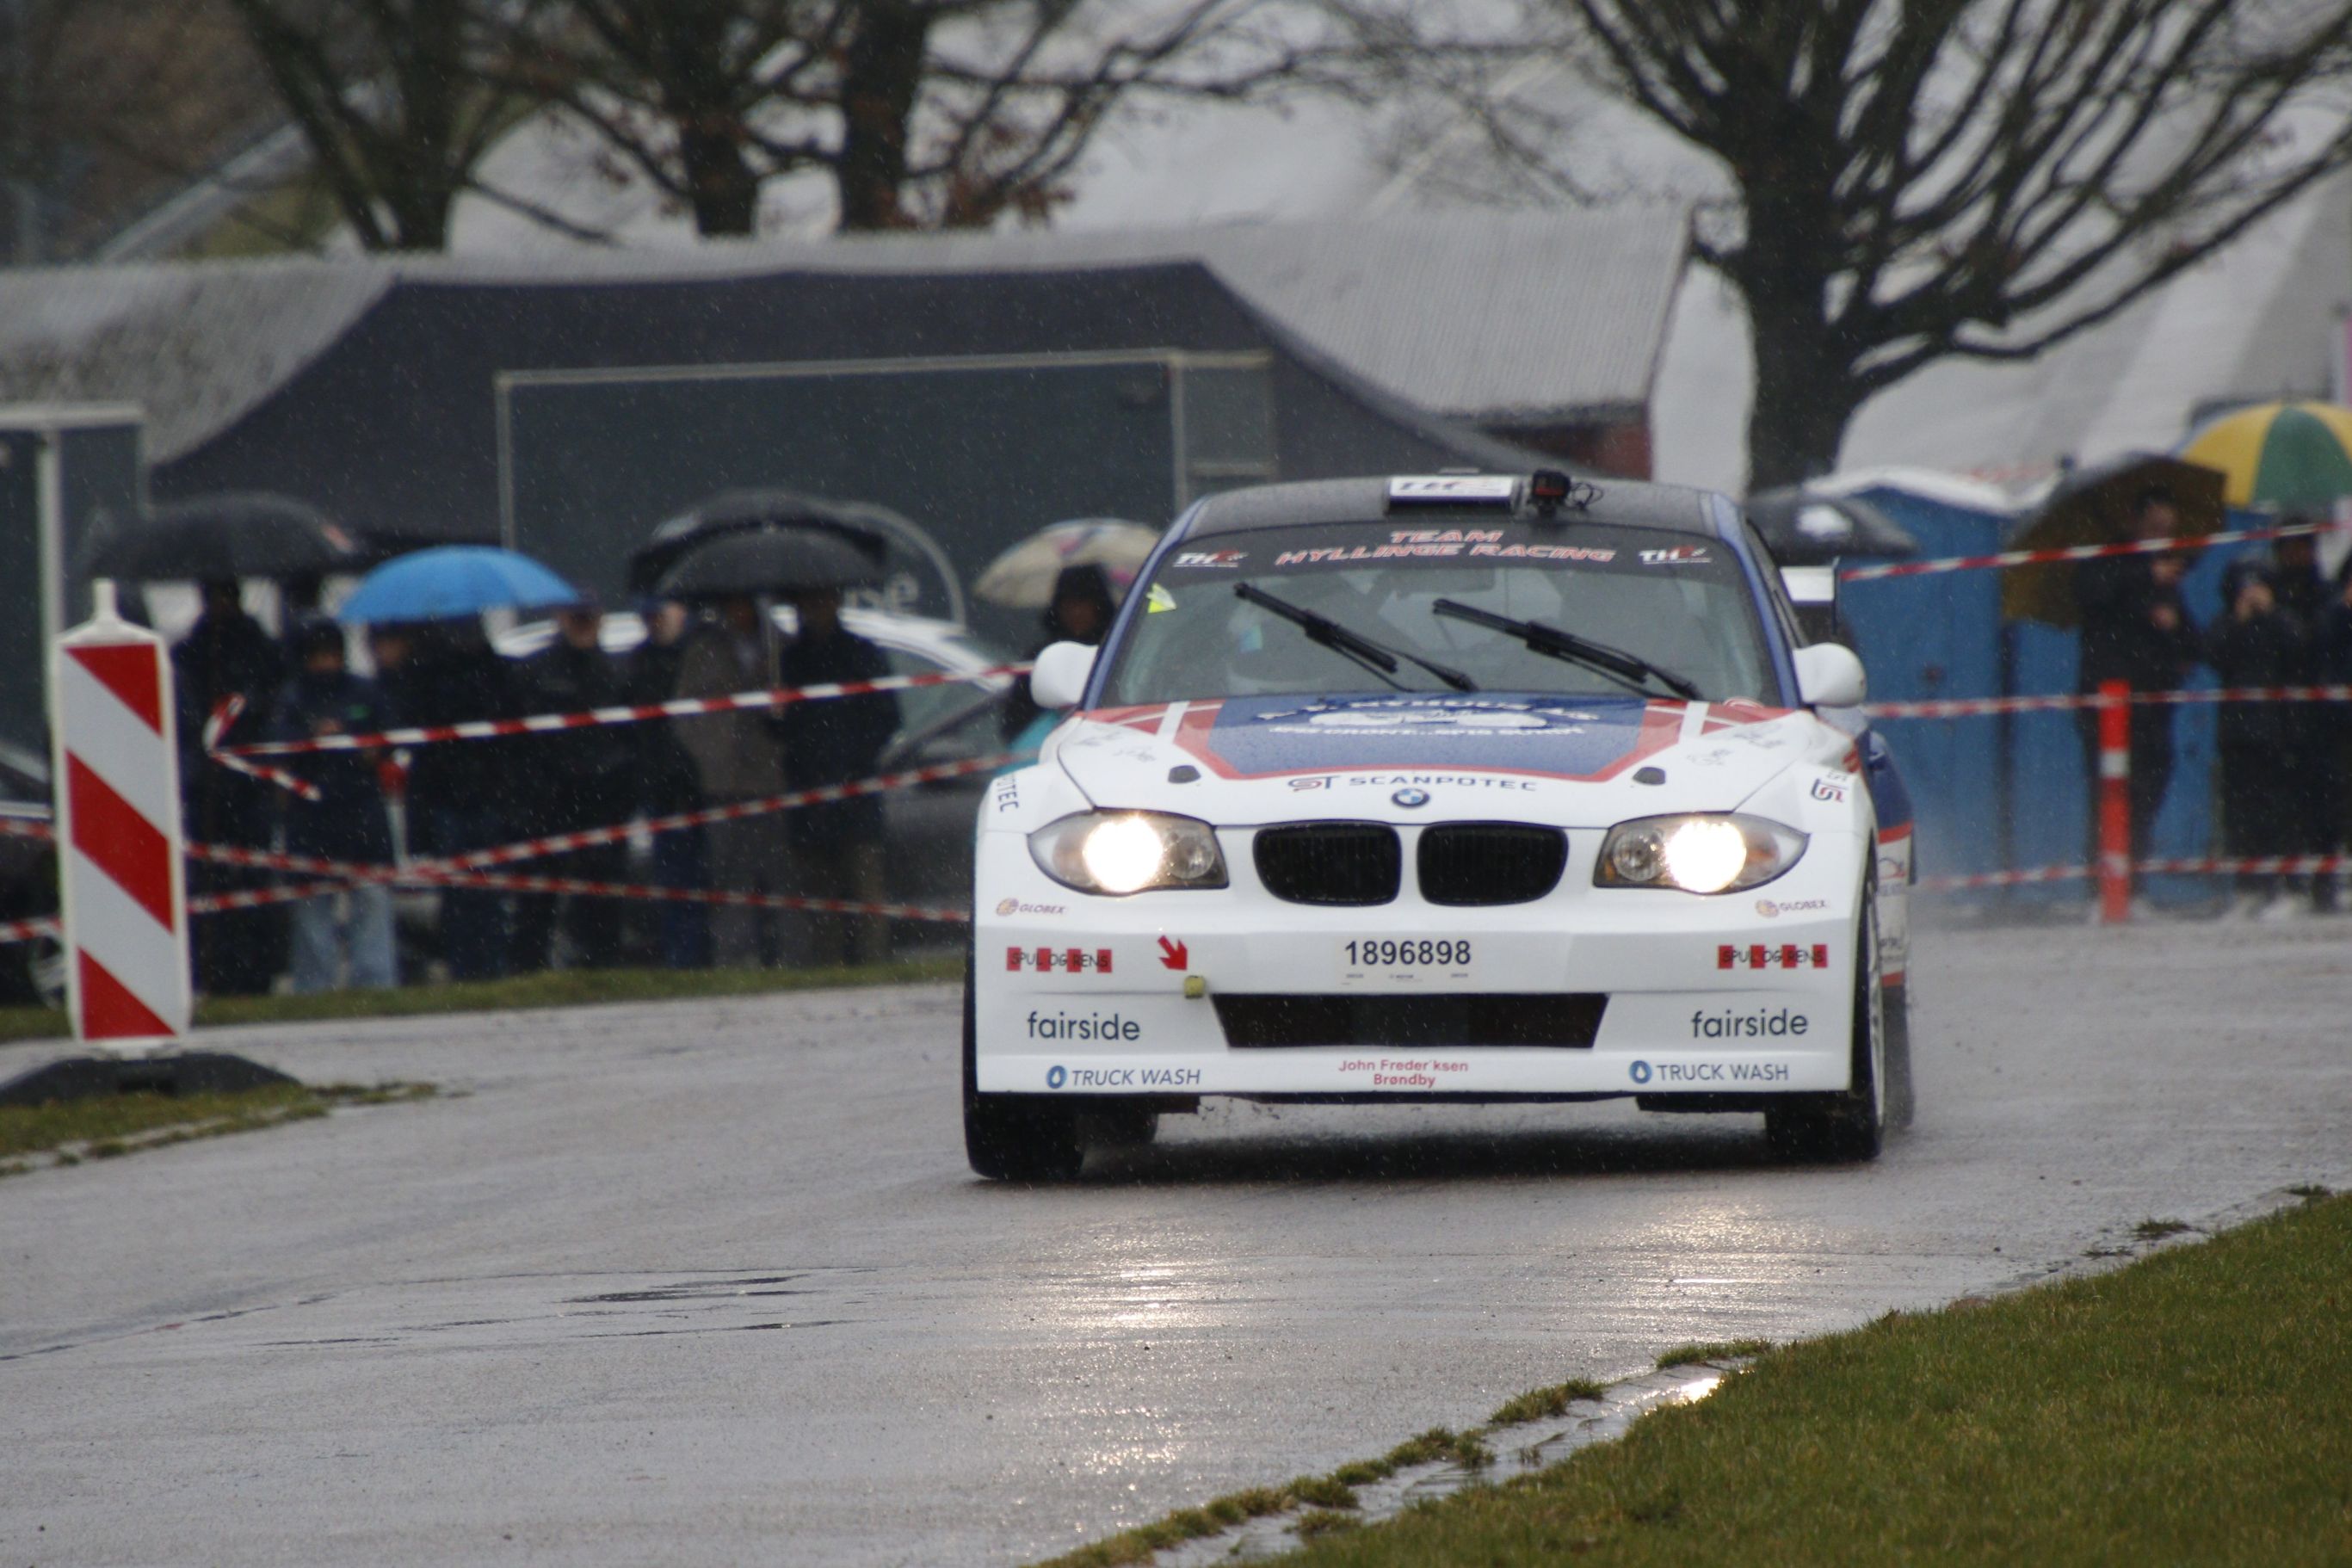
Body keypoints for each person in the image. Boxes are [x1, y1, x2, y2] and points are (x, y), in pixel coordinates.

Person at [2072, 489, 2204, 906]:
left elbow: (2192, 644)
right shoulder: (2109, 564)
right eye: (2154, 529)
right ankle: (2103, 890)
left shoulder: (2170, 585)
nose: (2162, 539)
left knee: (2148, 796)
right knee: (2109, 795)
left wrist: (2174, 628)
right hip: (2108, 707)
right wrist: (2148, 580)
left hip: (2154, 709)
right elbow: (2093, 595)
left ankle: (2136, 887)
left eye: (2169, 531)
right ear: (2134, 523)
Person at [506, 599, 635, 972]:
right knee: (536, 901)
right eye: (575, 617)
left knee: (603, 896)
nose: (582, 625)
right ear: (559, 618)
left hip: (603, 800)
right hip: (548, 802)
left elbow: (629, 739)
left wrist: (619, 788)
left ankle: (600, 970)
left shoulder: (617, 670)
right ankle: (528, 972)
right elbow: (521, 742)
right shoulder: (535, 670)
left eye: (589, 617)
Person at [269, 618, 398, 991]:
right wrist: (312, 740)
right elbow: (278, 751)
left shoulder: (364, 692)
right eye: (317, 655)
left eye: (331, 654)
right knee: (312, 911)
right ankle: (313, 989)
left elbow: (387, 741)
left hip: (362, 813)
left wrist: (352, 742)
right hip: (310, 816)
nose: (325, 663)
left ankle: (375, 985)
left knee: (371, 903)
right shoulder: (292, 697)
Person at [173, 579, 287, 996]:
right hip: (209, 790)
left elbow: (273, 704)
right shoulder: (191, 653)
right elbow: (184, 716)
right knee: (212, 885)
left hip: (248, 782)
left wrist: (243, 712)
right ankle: (217, 971)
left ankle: (256, 972)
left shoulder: (261, 651)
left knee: (251, 883)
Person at [775, 587, 899, 966]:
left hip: (855, 795)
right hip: (808, 799)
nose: (815, 609)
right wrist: (776, 719)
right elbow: (785, 732)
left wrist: (850, 767)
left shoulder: (862, 654)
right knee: (819, 902)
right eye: (808, 601)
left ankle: (874, 968)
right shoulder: (790, 661)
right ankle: (826, 971)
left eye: (823, 600)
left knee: (866, 898)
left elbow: (887, 718)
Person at [386, 620, 516, 981]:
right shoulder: (430, 676)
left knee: (489, 895)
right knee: (458, 896)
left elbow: (509, 734)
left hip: (488, 796)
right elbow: (420, 739)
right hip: (449, 799)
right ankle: (464, 966)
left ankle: (491, 966)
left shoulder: (497, 672)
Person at [671, 594, 792, 966]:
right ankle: (736, 962)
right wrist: (714, 754)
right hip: (723, 787)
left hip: (774, 784)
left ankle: (790, 961)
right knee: (730, 881)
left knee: (783, 880)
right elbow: (685, 716)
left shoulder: (781, 646)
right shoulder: (704, 650)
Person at [2209, 561, 2306, 917]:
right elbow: (2213, 654)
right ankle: (2248, 887)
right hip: (2237, 734)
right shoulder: (2228, 623)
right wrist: (2239, 619)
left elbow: (2299, 649)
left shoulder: (2283, 621)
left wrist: (2272, 613)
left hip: (2278, 732)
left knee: (2279, 813)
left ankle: (2289, 887)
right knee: (2239, 815)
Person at [629, 599, 713, 968]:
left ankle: (703, 958)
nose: (654, 623)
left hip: (704, 790)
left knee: (708, 880)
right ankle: (681, 959)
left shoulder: (699, 654)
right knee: (674, 882)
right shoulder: (639, 662)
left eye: (660, 615)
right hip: (661, 793)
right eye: (648, 618)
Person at [1001, 564, 1120, 741]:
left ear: (1098, 605)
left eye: (1083, 603)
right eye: (1069, 604)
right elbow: (1015, 720)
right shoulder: (1041, 657)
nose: (1076, 612)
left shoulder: (1116, 650)